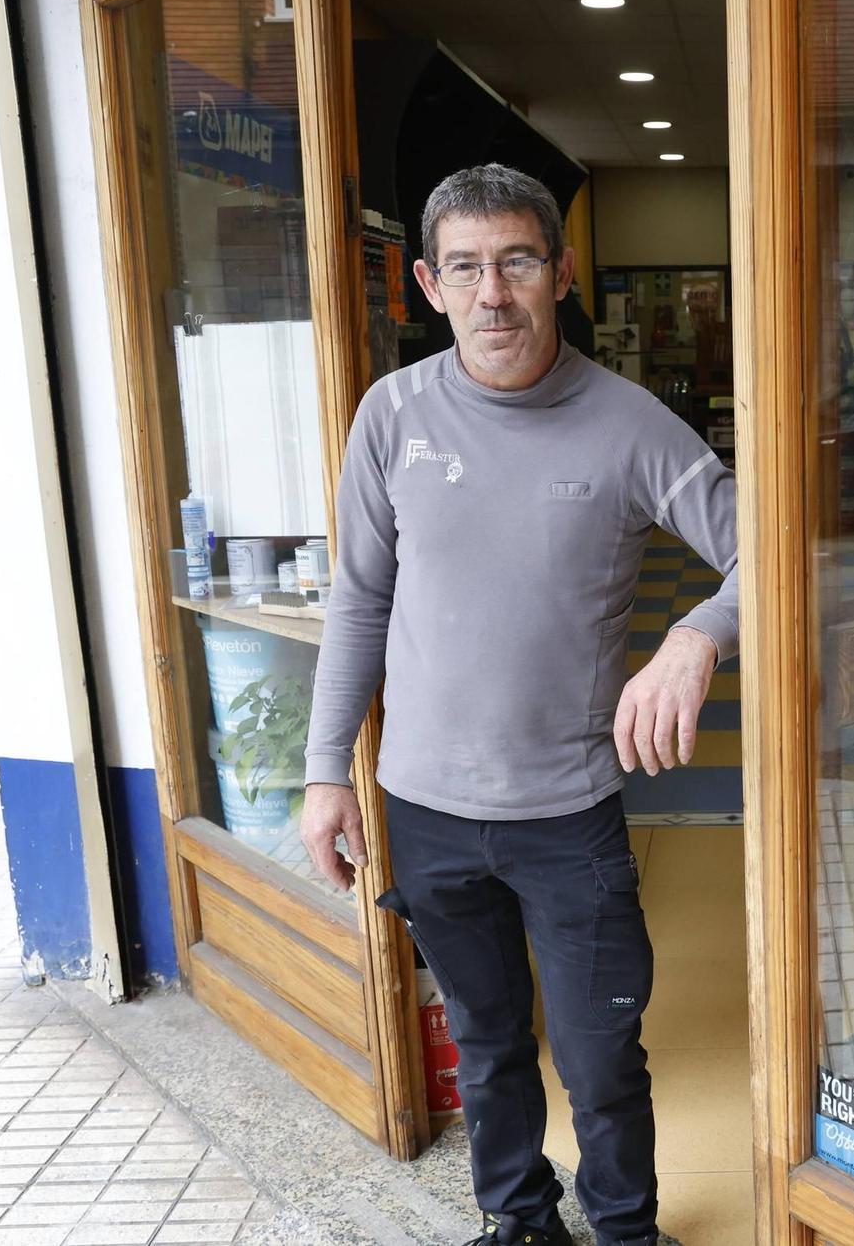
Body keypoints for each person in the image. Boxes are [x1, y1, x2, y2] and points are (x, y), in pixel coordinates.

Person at [300, 163, 737, 1246]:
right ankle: (519, 1220)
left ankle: (626, 1230)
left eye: (517, 261)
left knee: (598, 1055)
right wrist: (324, 774)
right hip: (424, 808)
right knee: (486, 1043)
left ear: (561, 272)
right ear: (426, 284)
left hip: (568, 814)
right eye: (465, 268)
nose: (492, 292)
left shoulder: (629, 424)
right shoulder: (391, 415)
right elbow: (358, 601)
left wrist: (697, 636)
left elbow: (764, 553)